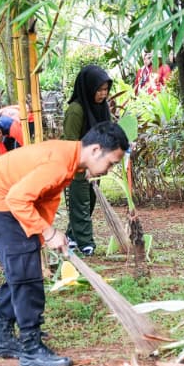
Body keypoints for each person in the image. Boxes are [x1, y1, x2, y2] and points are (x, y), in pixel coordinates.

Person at [0, 121, 130, 366]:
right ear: (95, 150)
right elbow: (17, 198)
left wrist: (44, 234)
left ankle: (0, 337)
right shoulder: (59, 164)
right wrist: (48, 232)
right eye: (110, 163)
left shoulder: (69, 160)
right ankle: (31, 349)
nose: (109, 170)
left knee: (22, 268)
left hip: (5, 203)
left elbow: (42, 199)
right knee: (27, 276)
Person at [62, 64, 113, 255]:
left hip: (95, 165)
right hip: (76, 166)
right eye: (99, 90)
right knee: (80, 202)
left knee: (89, 202)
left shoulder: (101, 108)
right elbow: (71, 143)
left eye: (106, 90)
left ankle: (72, 237)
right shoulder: (76, 110)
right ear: (88, 88)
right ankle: (86, 243)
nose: (103, 94)